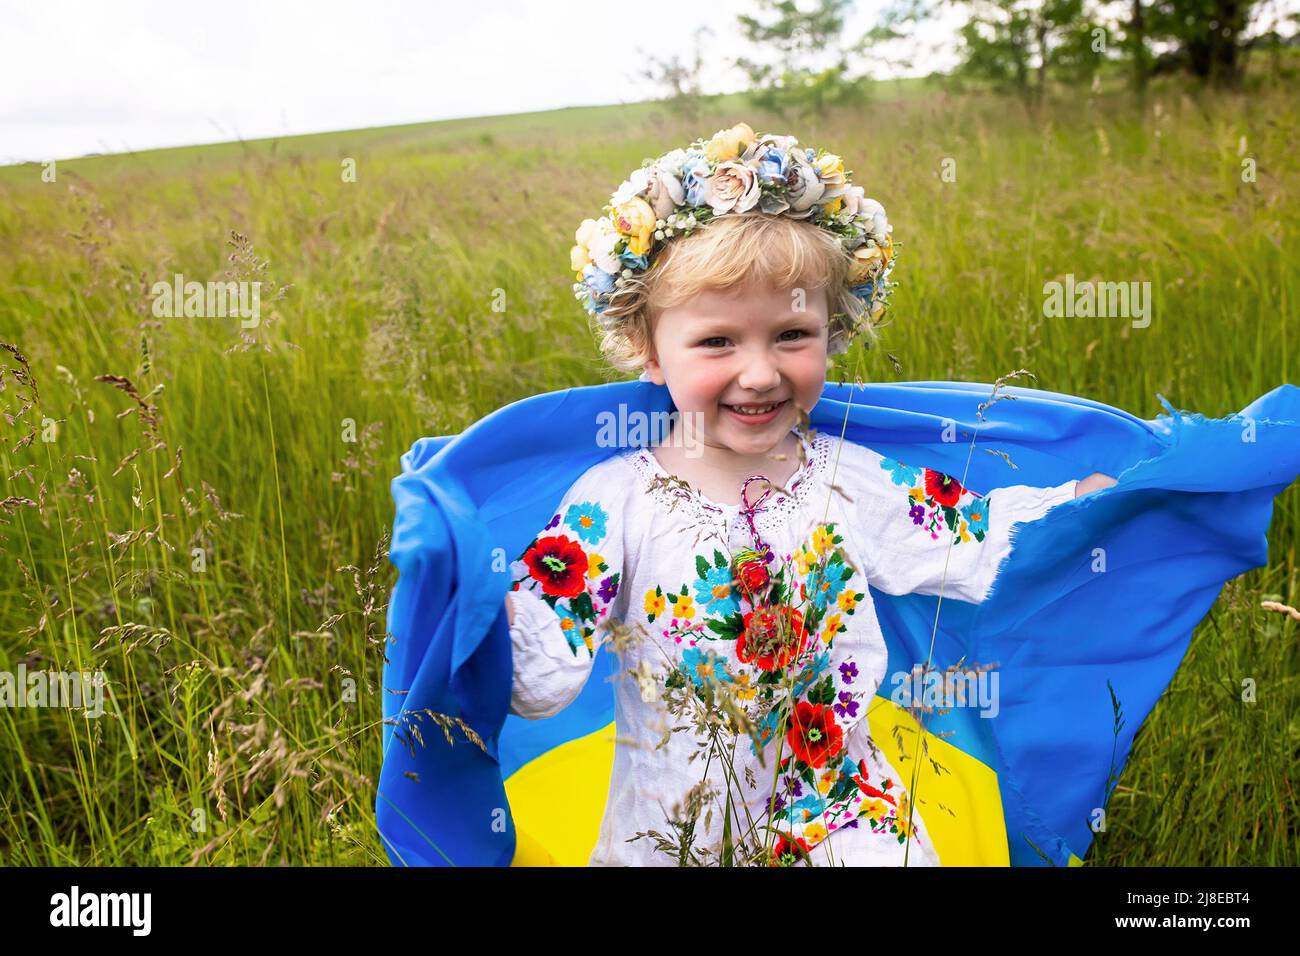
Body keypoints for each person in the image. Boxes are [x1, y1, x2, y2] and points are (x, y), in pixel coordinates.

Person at [502, 125, 1117, 866]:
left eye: (792, 334)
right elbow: (541, 673)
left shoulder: (844, 476)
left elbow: (972, 540)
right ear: (647, 349)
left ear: (833, 330)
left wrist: (1078, 507)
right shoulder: (615, 499)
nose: (761, 373)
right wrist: (485, 616)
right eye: (717, 341)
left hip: (842, 812)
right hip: (677, 832)